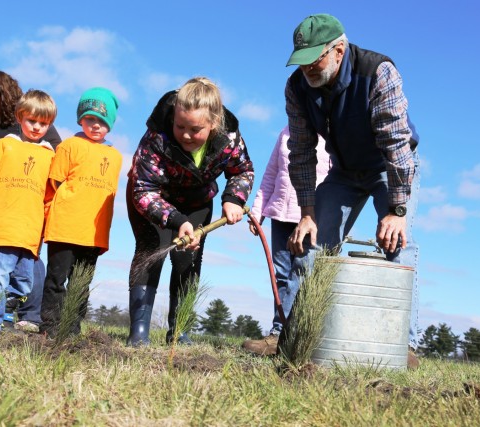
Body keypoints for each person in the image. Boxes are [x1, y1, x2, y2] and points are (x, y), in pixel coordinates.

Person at [283, 14, 421, 367]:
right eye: (301, 63)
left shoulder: (377, 72)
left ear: (339, 51)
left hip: (390, 168)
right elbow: (300, 153)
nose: (307, 71)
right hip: (343, 172)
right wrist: (308, 214)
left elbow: (396, 143)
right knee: (313, 244)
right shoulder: (297, 88)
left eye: (315, 60)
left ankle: (402, 345)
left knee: (396, 243)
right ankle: (301, 338)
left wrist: (398, 211)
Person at [126, 77, 254, 347]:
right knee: (152, 251)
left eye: (195, 129)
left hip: (196, 202)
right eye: (180, 125)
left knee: (188, 260)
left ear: (213, 124)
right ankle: (139, 333)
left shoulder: (229, 138)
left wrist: (233, 198)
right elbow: (143, 190)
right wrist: (176, 220)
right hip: (154, 200)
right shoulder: (156, 136)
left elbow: (242, 170)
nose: (185, 134)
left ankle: (179, 330)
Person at [0, 70, 62, 332]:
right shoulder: (2, 147)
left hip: (30, 233)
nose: (36, 127)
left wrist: (47, 228)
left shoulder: (49, 156)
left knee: (23, 283)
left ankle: (4, 315)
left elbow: (49, 197)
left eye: (43, 124)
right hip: (1, 227)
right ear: (20, 117)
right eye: (31, 120)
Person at [40, 87, 123, 338]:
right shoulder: (69, 146)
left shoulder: (116, 156)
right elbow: (54, 183)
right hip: (64, 228)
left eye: (101, 120)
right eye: (90, 119)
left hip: (94, 233)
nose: (95, 125)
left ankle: (72, 328)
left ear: (110, 124)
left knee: (81, 283)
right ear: (80, 119)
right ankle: (50, 328)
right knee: (56, 280)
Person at [242, 126, 330, 355]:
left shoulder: (330, 137)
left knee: (302, 274)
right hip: (280, 214)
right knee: (281, 274)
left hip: (311, 218)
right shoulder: (286, 133)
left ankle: (294, 335)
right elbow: (271, 174)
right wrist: (258, 210)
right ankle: (278, 333)